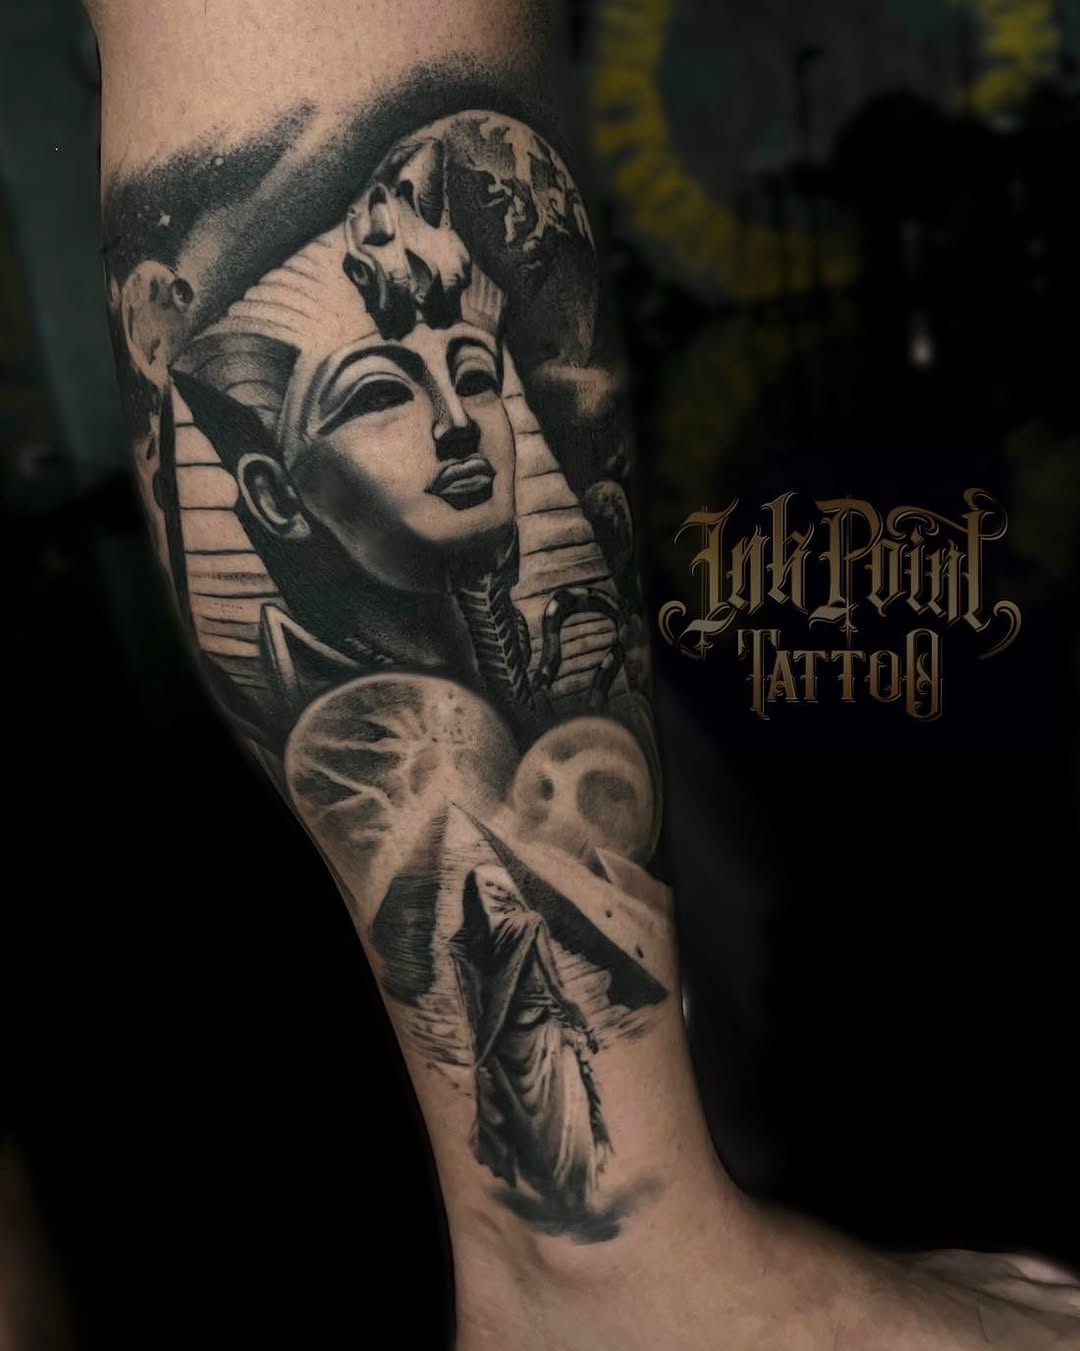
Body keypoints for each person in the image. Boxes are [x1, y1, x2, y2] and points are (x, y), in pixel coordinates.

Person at [85, 1, 1080, 1347]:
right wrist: (613, 1250)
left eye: (473, 370)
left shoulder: (529, 628)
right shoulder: (389, 740)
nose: (460, 425)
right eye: (378, 392)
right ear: (266, 495)